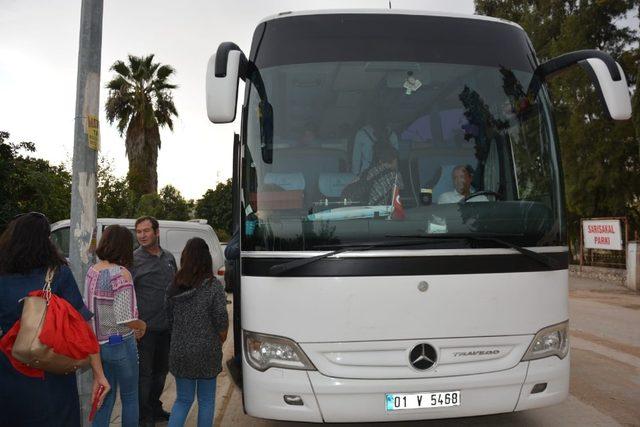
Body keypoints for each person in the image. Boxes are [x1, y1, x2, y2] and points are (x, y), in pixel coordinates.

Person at [0, 212, 109, 427]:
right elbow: (83, 328)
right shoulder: (58, 274)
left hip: (8, 375)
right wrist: (99, 374)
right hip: (51, 373)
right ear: (45, 241)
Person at [85, 225, 147, 427]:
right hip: (121, 343)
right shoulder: (121, 273)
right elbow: (124, 317)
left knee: (105, 395)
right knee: (130, 398)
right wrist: (141, 325)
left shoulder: (92, 271)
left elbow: (88, 311)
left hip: (99, 345)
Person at [166, 238, 228, 427]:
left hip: (180, 351)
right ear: (206, 259)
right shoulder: (213, 286)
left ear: (184, 257)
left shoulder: (172, 286)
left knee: (183, 400)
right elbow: (221, 320)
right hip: (207, 351)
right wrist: (220, 338)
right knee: (206, 401)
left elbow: (169, 320)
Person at [132, 216, 177, 426]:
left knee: (161, 374)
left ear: (157, 232)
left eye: (146, 231)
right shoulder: (133, 260)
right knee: (145, 376)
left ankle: (155, 408)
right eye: (138, 231)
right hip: (144, 331)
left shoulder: (169, 258)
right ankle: (144, 416)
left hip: (167, 328)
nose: (142, 235)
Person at [351, 109, 399, 175]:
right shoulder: (392, 135)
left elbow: (356, 160)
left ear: (369, 118)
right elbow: (395, 161)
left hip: (367, 175)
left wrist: (355, 176)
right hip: (387, 175)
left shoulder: (361, 134)